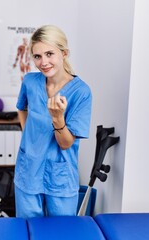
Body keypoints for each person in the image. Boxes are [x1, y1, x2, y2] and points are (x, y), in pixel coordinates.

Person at [14, 25, 92, 218]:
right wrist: (28, 135)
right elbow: (21, 108)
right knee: (27, 230)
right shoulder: (30, 82)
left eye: (50, 54)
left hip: (61, 176)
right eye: (37, 56)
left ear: (64, 53)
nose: (44, 62)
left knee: (61, 233)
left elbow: (66, 143)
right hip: (28, 169)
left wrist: (57, 118)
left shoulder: (81, 92)